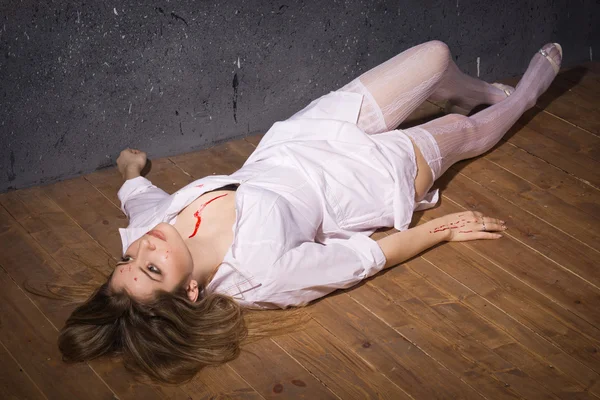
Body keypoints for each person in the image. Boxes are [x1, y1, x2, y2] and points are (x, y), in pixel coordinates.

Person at [58, 41, 563, 383]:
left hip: (309, 134)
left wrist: (130, 172)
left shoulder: (152, 230)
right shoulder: (263, 276)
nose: (146, 246)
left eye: (127, 261)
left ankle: (469, 90)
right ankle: (523, 97)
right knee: (465, 131)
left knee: (435, 56)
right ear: (191, 292)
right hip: (366, 179)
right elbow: (367, 257)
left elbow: (141, 202)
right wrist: (443, 231)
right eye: (151, 267)